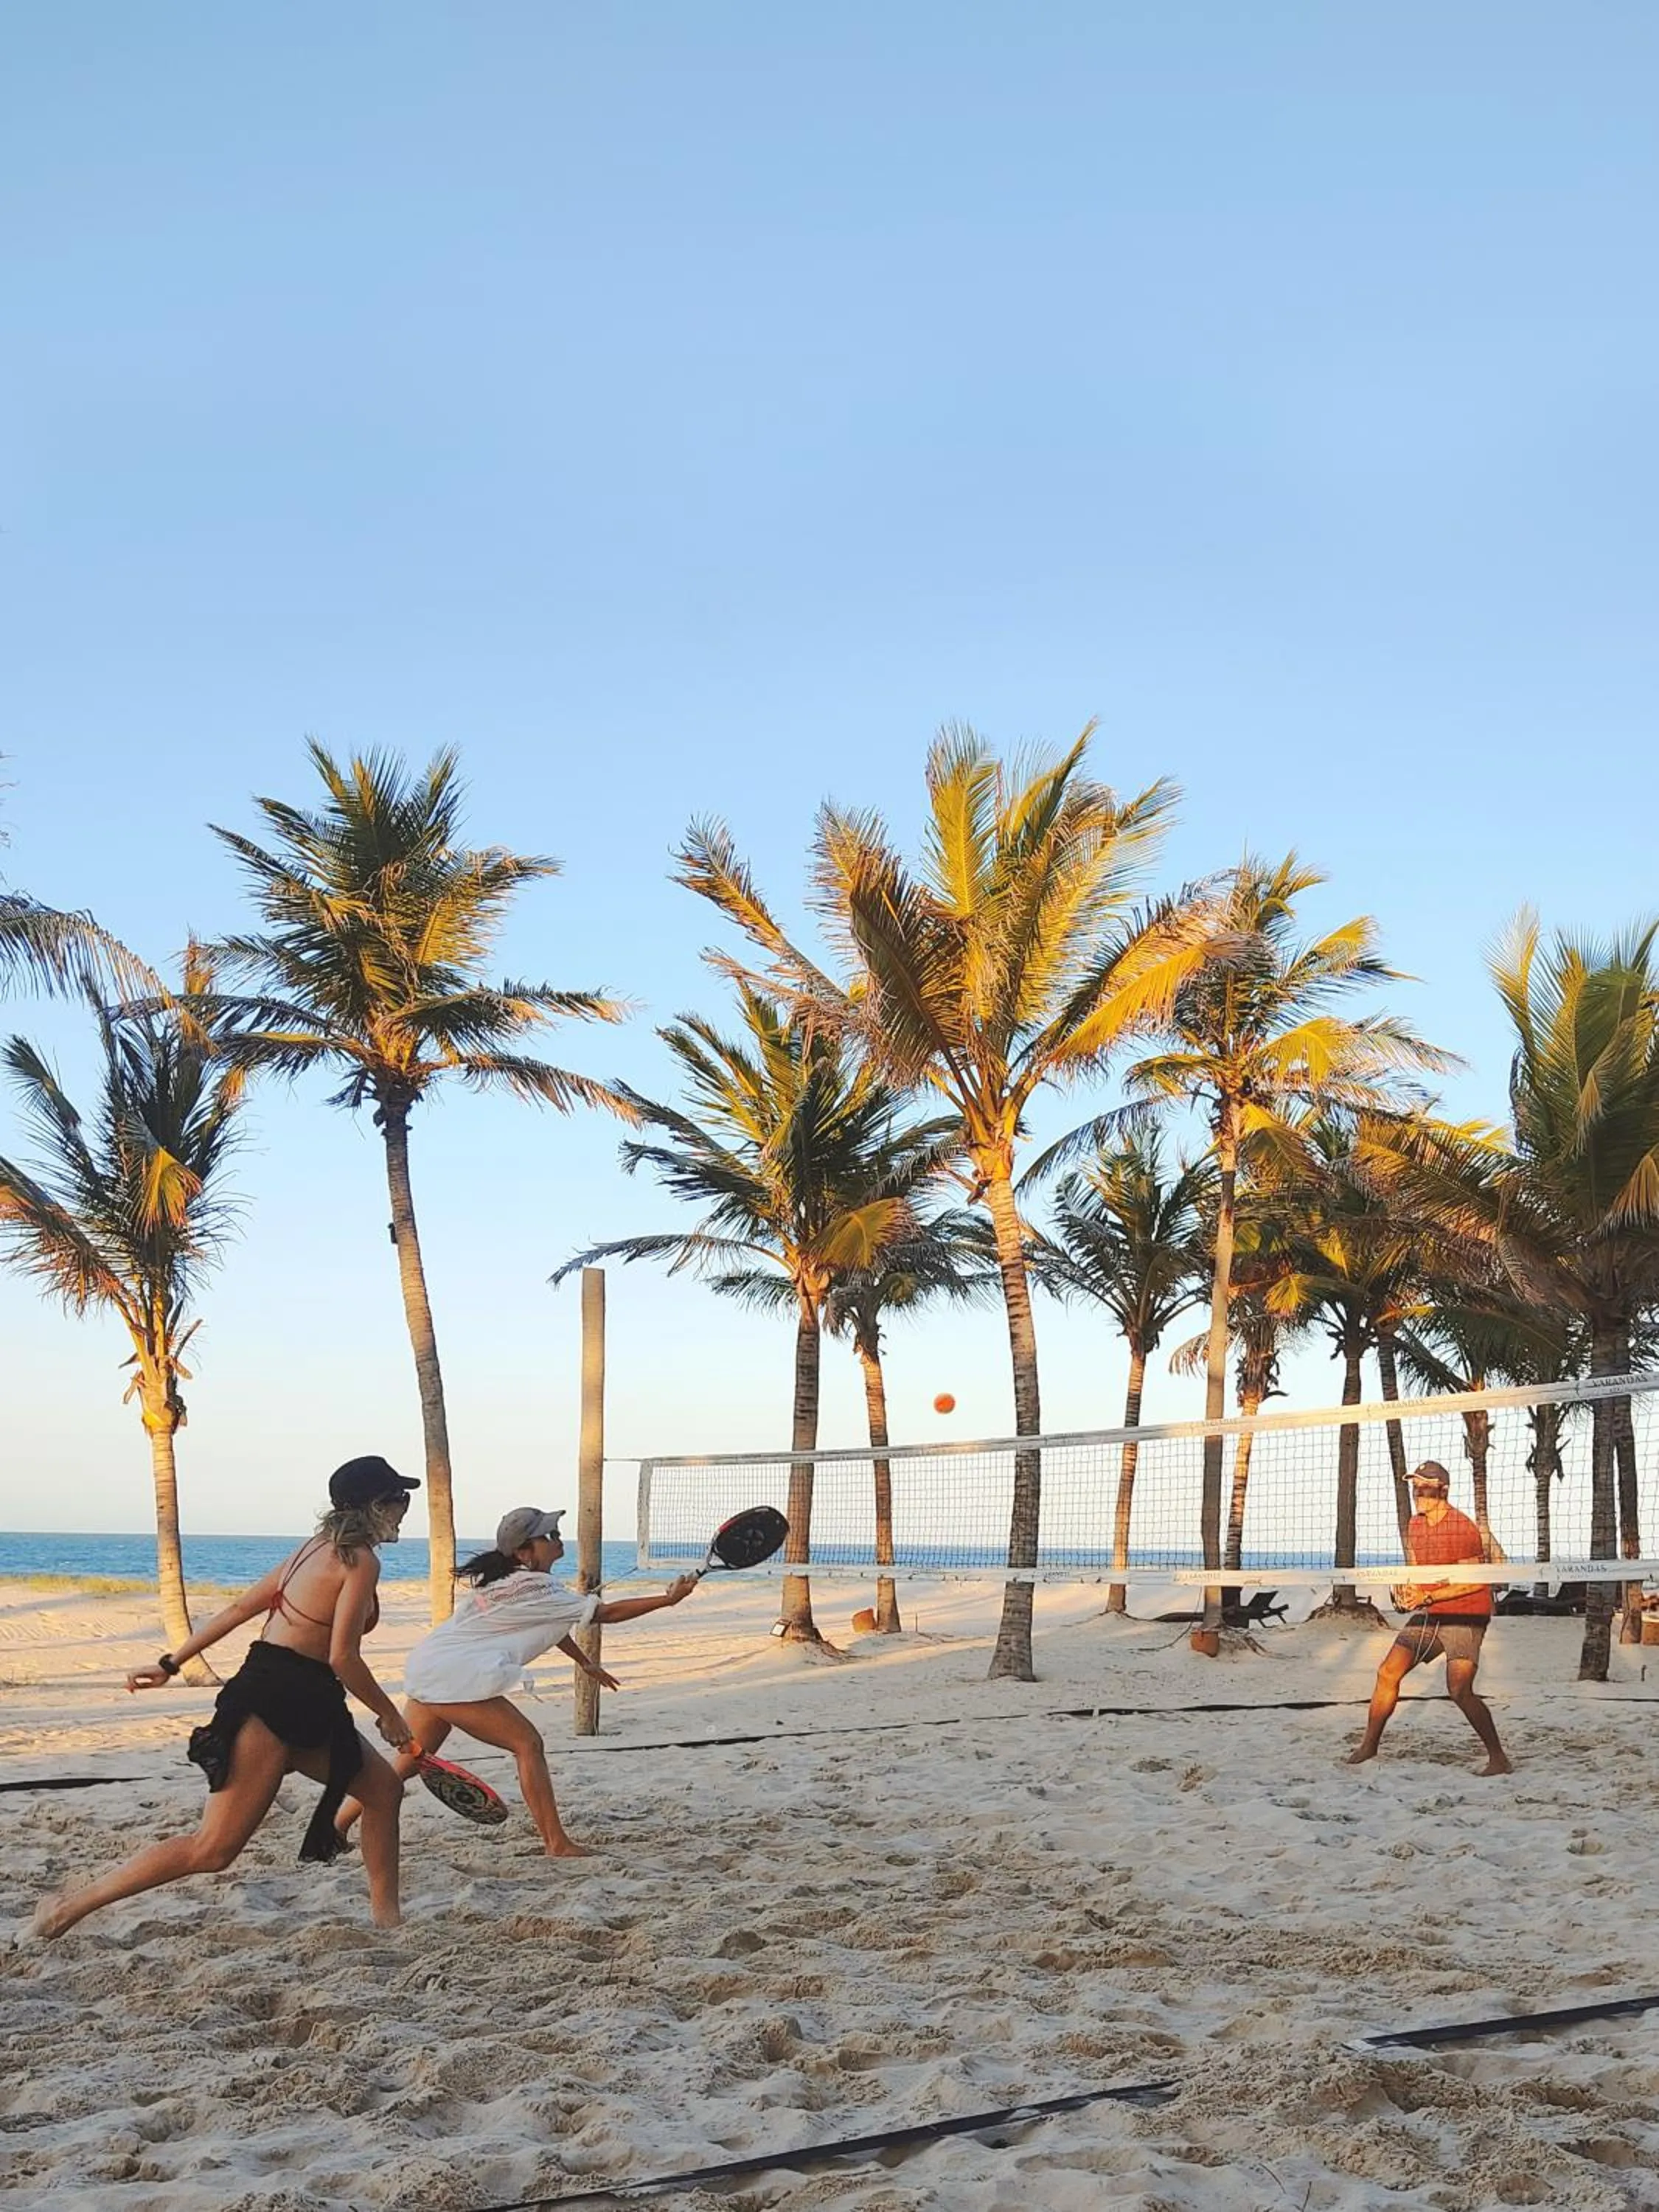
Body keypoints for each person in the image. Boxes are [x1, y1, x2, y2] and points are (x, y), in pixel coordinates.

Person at [29, 1455, 420, 1940]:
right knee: (212, 1850)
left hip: (307, 1700)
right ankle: (65, 1910)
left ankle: (388, 1922)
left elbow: (239, 1608)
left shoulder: (311, 1550)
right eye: (400, 1499)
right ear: (376, 1506)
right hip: (273, 1701)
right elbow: (344, 1657)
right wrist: (389, 1715)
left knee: (383, 1791)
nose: (406, 1508)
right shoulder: (360, 1562)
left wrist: (170, 1664)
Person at [338, 1506, 699, 1858]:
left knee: (410, 1762)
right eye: (550, 1535)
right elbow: (606, 1613)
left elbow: (548, 1626)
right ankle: (557, 1843)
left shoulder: (510, 1582)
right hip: (454, 1675)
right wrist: (668, 1600)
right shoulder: (535, 1586)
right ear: (525, 1551)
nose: (559, 1539)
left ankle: (334, 1827)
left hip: (428, 1667)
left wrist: (585, 1663)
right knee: (528, 1744)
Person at [1346, 1460, 1512, 1775]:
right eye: (1415, 1486)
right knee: (1387, 1672)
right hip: (1432, 1610)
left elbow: (1477, 1581)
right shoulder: (1416, 1525)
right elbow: (1424, 1573)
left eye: (1425, 1487)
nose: (1418, 1492)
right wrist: (1411, 1594)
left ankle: (1498, 1758)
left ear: (1443, 1490)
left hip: (1467, 1613)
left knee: (1459, 1690)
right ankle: (1369, 1746)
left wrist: (1429, 1596)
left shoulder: (1462, 1527)